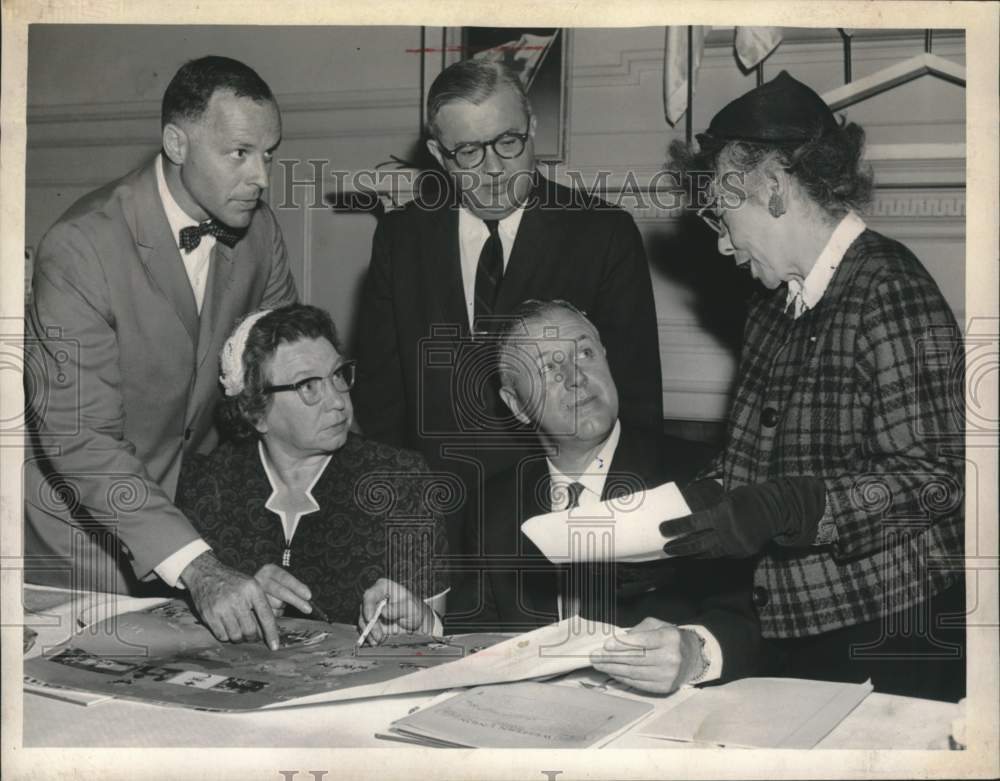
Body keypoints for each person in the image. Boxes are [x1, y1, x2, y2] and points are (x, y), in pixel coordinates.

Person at [658, 71, 965, 701]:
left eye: (723, 214)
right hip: (799, 625)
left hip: (894, 634)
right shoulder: (771, 307)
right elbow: (756, 459)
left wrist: (798, 507)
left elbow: (938, 480)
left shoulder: (891, 288)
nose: (722, 244)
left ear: (771, 189)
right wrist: (692, 511)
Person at [24, 56, 298, 649]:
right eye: (239, 154)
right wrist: (198, 568)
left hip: (200, 528)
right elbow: (80, 439)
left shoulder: (261, 233)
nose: (262, 178)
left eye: (269, 154)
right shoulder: (80, 247)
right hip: (80, 540)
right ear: (177, 142)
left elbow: (281, 384)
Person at [355, 59, 662, 558]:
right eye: (469, 152)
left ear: (533, 128)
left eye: (508, 142)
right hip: (434, 522)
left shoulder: (602, 233)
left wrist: (624, 540)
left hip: (555, 522)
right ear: (438, 154)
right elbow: (382, 400)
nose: (494, 169)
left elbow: (639, 398)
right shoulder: (400, 237)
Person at [441, 299, 766, 694]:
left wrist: (696, 653)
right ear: (516, 405)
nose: (576, 376)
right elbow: (477, 633)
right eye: (548, 367)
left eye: (585, 352)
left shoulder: (702, 478)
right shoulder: (493, 504)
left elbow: (758, 621)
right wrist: (425, 630)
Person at [176, 304, 449, 637]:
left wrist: (421, 622)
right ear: (255, 411)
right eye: (308, 386)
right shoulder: (205, 486)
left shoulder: (400, 480)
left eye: (337, 375)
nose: (337, 401)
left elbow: (433, 633)